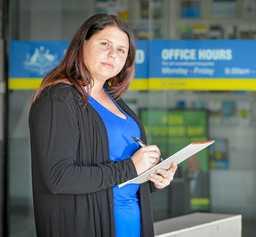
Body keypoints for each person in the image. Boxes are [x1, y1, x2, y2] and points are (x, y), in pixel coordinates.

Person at [29, 14, 177, 237]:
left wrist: (154, 174)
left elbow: (121, 169)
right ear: (83, 44)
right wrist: (131, 167)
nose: (112, 55)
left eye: (121, 50)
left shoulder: (115, 100)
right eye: (105, 44)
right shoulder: (58, 99)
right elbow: (58, 178)